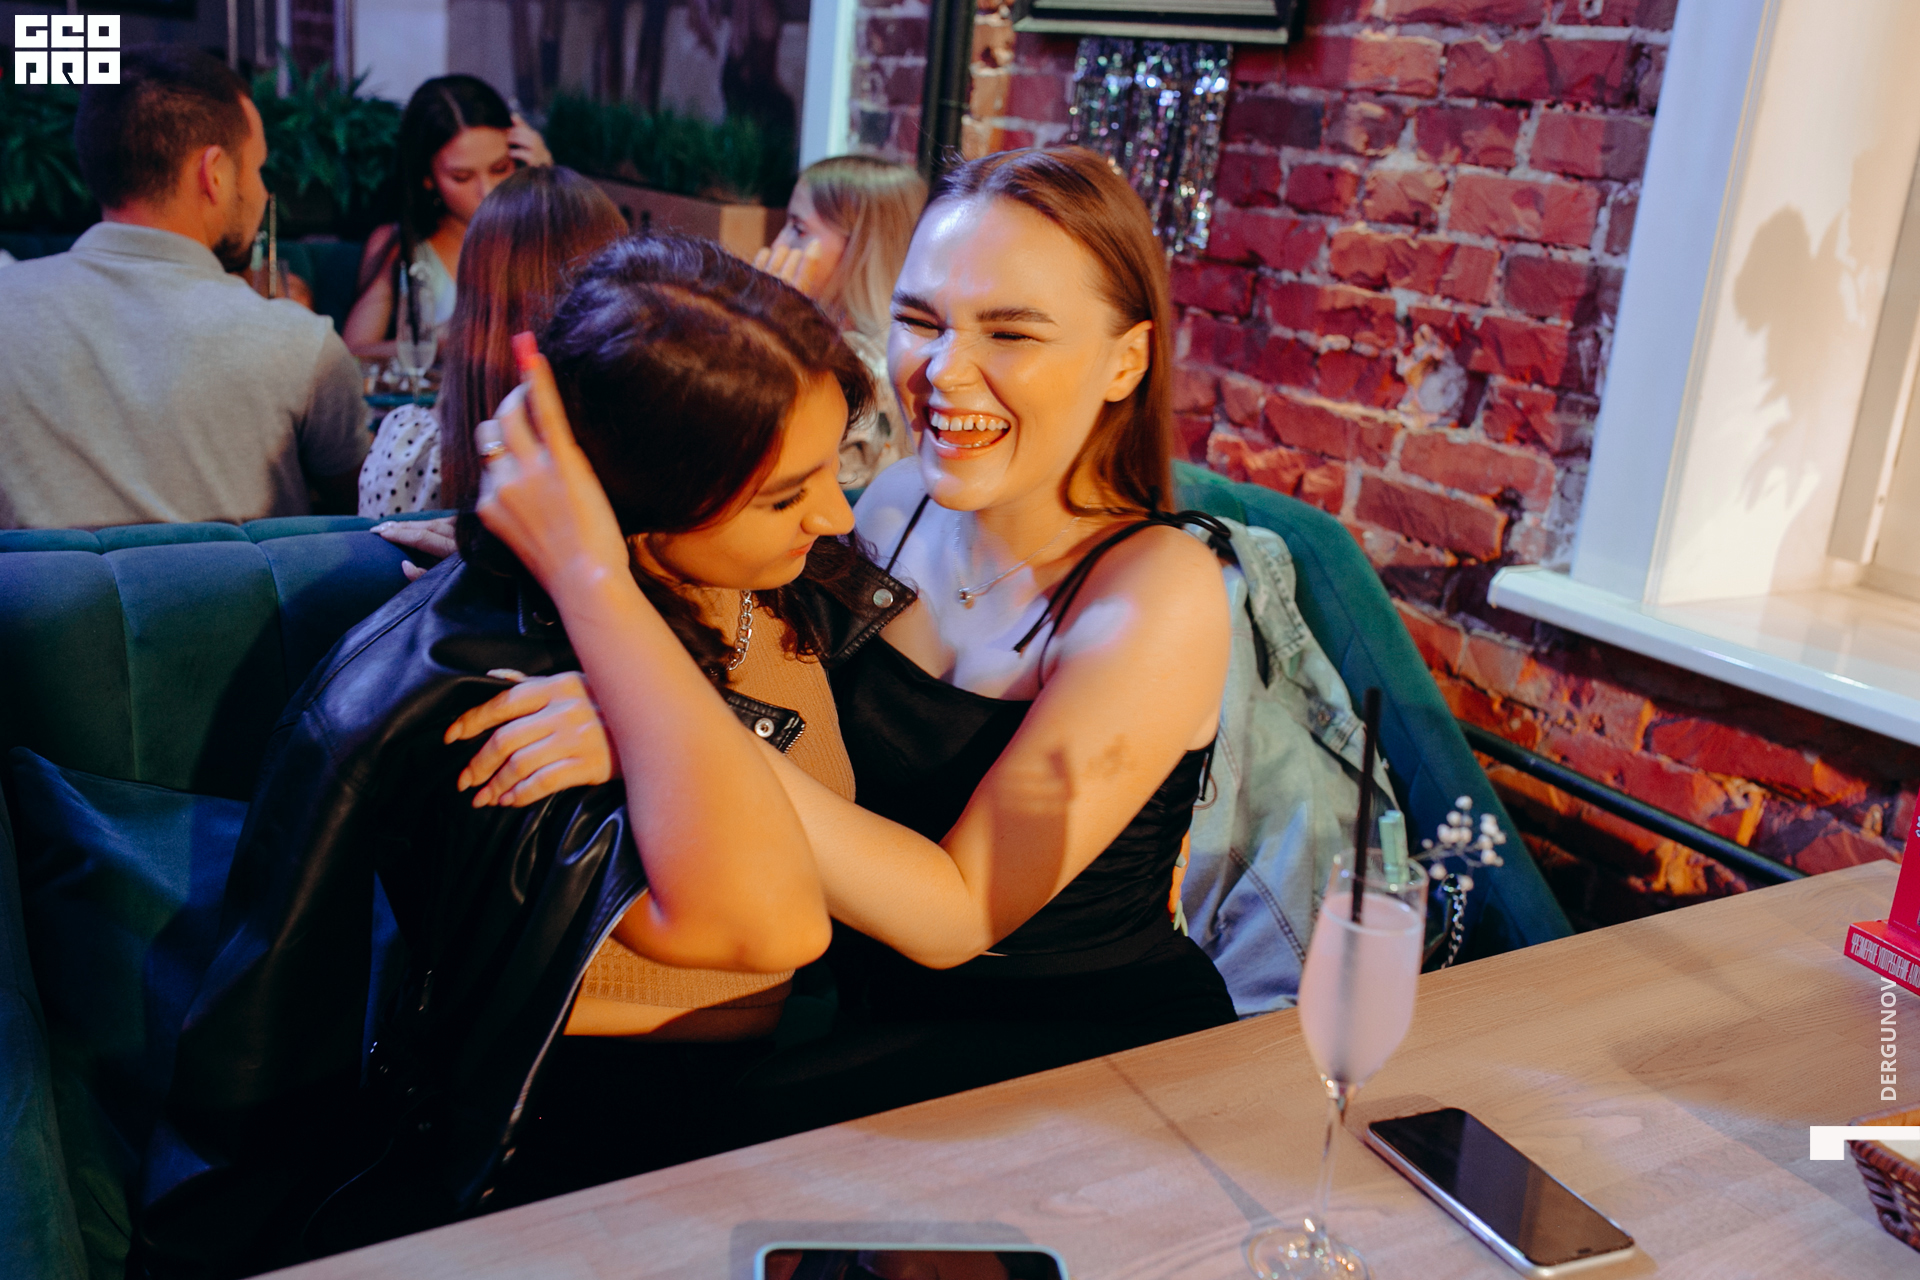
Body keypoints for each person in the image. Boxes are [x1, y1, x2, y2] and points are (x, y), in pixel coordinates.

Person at [140, 235, 901, 1273]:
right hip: (565, 1151)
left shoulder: (761, 584)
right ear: (636, 502)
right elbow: (772, 923)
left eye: (832, 463)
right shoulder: (516, 694)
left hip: (754, 1108)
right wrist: (588, 582)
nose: (837, 513)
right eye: (785, 493)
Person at [460, 145, 1238, 1133]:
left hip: (1083, 1051)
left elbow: (958, 914)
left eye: (1010, 331)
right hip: (874, 1016)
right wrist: (537, 536)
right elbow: (726, 571)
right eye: (921, 320)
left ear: (1126, 359)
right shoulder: (904, 502)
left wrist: (655, 723)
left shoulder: (1159, 588)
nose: (944, 372)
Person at [0, 45, 367, 530]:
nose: (263, 193)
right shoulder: (301, 344)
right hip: (246, 585)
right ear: (213, 174)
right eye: (256, 168)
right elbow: (364, 512)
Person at [357, 165, 626, 518]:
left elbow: (373, 546)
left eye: (498, 168)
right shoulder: (638, 454)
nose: (481, 188)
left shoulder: (409, 447)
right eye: (463, 175)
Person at [342, 75, 552, 360]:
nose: (487, 191)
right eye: (462, 177)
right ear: (427, 177)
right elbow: (351, 353)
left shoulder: (538, 232)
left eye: (500, 168)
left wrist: (548, 186)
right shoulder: (405, 247)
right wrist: (437, 343)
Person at [755, 155, 926, 489]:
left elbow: (779, 476)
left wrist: (769, 329)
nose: (778, 245)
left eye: (798, 229)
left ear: (862, 247)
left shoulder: (858, 368)